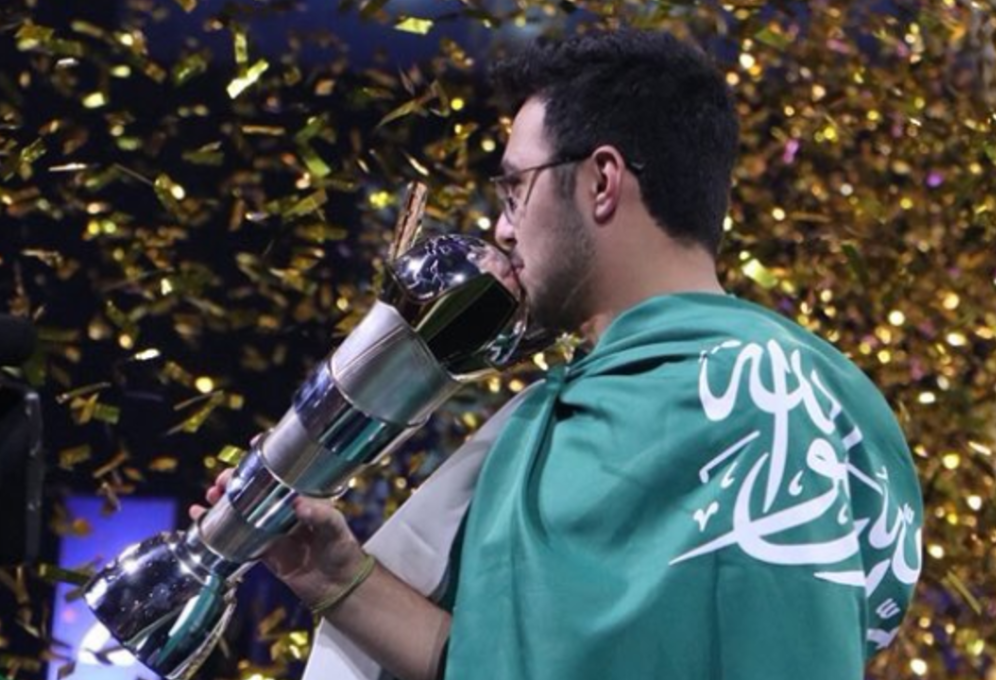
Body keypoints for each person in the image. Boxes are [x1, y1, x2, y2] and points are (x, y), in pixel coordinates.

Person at [194, 28, 922, 680]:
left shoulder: (614, 414)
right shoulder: (853, 412)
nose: (504, 230)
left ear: (601, 181)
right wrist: (339, 580)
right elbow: (522, 663)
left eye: (515, 188)